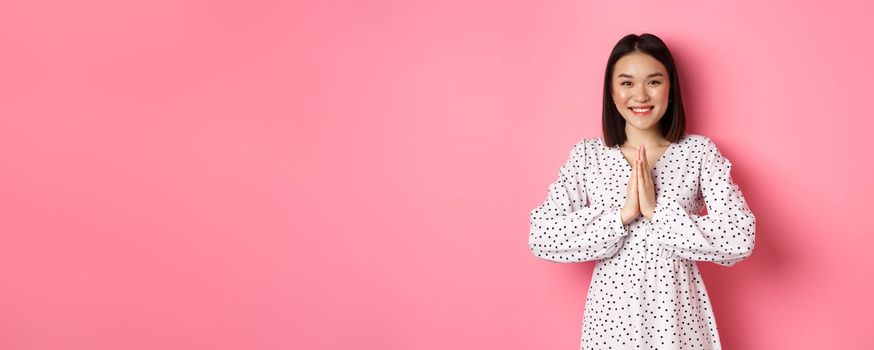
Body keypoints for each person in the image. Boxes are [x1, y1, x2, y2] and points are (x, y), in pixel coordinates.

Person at [528, 33, 756, 349]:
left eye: (653, 82)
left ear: (670, 88)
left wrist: (657, 212)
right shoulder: (587, 156)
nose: (640, 95)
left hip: (677, 322)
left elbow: (739, 237)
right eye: (626, 83)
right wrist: (622, 216)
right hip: (611, 325)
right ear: (611, 91)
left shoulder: (699, 153)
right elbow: (542, 236)